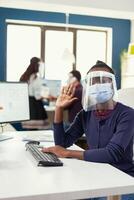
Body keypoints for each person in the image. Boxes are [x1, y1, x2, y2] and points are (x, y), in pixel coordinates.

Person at [42, 61, 134, 200]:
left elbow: (112, 153)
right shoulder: (85, 114)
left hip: (122, 181)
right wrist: (59, 109)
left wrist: (67, 153)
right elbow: (62, 142)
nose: (97, 85)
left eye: (103, 81)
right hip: (95, 176)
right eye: (93, 82)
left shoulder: (127, 114)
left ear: (113, 85)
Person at [19, 57, 49, 130]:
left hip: (27, 105)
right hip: (35, 106)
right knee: (36, 132)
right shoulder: (35, 77)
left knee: (29, 130)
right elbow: (37, 96)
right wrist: (47, 97)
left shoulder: (24, 76)